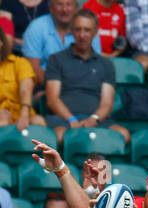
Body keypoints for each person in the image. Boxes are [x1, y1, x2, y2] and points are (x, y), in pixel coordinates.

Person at [44, 9, 128, 140]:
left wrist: (93, 119)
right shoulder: (56, 59)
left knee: (123, 135)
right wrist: (72, 120)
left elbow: (107, 102)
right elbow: (52, 99)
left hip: (96, 119)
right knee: (60, 137)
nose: (82, 35)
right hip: (63, 119)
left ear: (95, 32)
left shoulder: (106, 64)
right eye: (78, 29)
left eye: (87, 30)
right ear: (71, 31)